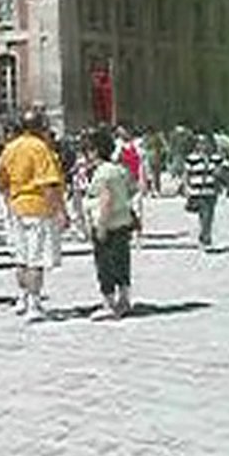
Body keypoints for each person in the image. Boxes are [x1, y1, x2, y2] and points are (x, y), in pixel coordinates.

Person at [0, 109, 68, 321]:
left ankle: (22, 296)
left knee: (21, 257)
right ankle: (34, 304)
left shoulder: (10, 148)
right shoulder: (40, 148)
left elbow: (0, 179)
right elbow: (49, 183)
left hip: (16, 207)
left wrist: (10, 198)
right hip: (38, 208)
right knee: (36, 259)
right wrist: (60, 211)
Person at [83, 127, 137, 321]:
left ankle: (109, 303)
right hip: (122, 222)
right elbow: (131, 191)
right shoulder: (120, 170)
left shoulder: (102, 173)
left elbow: (105, 200)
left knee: (105, 265)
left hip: (107, 224)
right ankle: (124, 299)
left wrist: (101, 226)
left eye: (88, 150)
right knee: (122, 263)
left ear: (95, 151)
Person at [184, 135, 223, 249]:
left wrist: (219, 179)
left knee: (209, 215)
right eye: (201, 143)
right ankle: (205, 237)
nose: (204, 146)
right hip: (197, 190)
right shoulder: (192, 158)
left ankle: (205, 235)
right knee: (204, 214)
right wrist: (186, 188)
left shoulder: (216, 158)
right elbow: (186, 174)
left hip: (211, 190)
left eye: (206, 143)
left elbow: (221, 173)